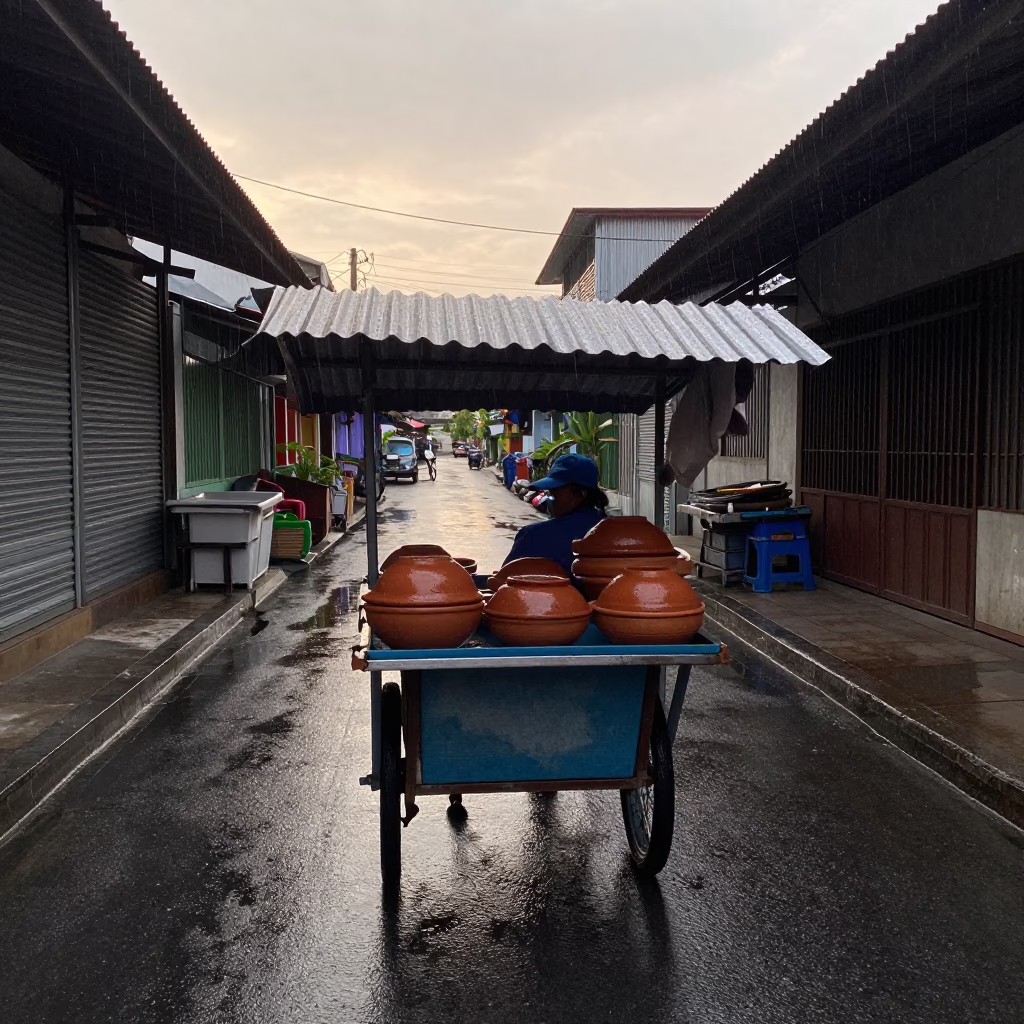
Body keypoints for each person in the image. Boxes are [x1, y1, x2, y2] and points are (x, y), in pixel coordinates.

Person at [503, 454, 609, 576]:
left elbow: (502, 581)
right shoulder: (612, 532)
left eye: (556, 491)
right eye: (549, 491)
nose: (550, 497)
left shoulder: (533, 536)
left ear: (581, 494)